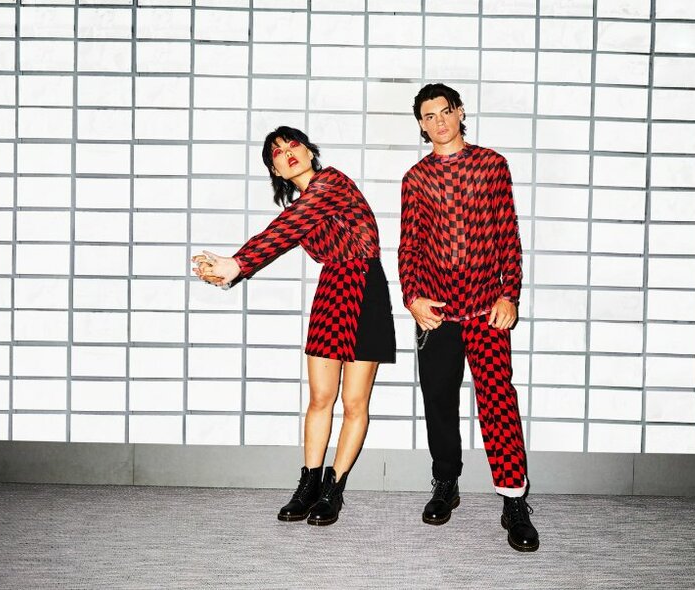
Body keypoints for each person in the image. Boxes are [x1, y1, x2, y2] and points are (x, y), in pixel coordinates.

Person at [192, 126, 395, 526]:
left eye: (293, 145)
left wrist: (236, 264)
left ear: (308, 150)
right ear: (276, 170)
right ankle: (309, 484)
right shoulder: (298, 209)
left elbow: (286, 229)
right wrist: (230, 271)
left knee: (354, 403)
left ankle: (333, 491)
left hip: (365, 286)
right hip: (333, 290)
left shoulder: (332, 182)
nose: (288, 153)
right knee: (320, 398)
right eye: (278, 153)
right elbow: (284, 231)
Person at [398, 83, 540, 551]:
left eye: (445, 112)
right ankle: (445, 483)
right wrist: (414, 299)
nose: (438, 122)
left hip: (485, 309)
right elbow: (409, 247)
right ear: (421, 124)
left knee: (497, 399)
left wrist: (509, 294)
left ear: (459, 113)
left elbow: (508, 236)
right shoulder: (415, 179)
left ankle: (514, 500)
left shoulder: (492, 165)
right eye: (429, 116)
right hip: (436, 312)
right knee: (438, 400)